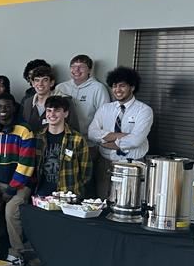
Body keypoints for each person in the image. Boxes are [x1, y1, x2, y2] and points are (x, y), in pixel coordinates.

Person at [0, 93, 36, 266]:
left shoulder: (24, 131)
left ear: (14, 107)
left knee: (11, 211)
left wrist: (11, 190)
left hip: (20, 185)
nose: (3, 110)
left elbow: (25, 163)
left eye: (7, 106)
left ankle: (16, 252)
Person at [87, 66, 154, 199]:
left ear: (132, 87)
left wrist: (106, 142)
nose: (117, 90)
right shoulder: (105, 109)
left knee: (129, 203)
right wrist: (121, 136)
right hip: (105, 163)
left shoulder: (144, 110)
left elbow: (136, 140)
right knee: (102, 201)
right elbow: (92, 133)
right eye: (114, 86)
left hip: (132, 164)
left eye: (122, 86)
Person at [55, 54, 111, 195]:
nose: (76, 70)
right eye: (73, 66)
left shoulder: (98, 88)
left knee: (85, 181)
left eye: (81, 67)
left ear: (90, 70)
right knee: (65, 180)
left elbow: (106, 118)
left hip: (88, 145)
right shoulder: (61, 87)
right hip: (64, 143)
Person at [35, 95, 91, 199]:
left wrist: (75, 191)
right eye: (49, 110)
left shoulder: (77, 139)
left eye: (57, 110)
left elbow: (86, 172)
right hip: (42, 194)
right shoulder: (38, 137)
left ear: (66, 113)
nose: (52, 114)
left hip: (67, 196)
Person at [20, 64, 61, 132]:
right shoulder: (27, 103)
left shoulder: (63, 102)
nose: (40, 84)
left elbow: (73, 129)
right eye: (37, 80)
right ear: (33, 83)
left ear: (51, 83)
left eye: (45, 80)